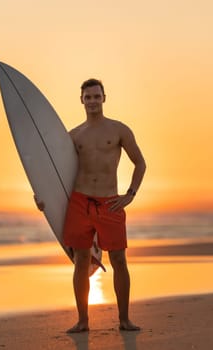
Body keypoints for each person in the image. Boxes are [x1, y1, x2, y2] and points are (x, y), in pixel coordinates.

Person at [36, 78, 146, 333]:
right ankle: (83, 321)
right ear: (82, 100)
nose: (93, 101)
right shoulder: (73, 136)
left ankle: (124, 320)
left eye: (97, 97)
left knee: (119, 259)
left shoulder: (119, 130)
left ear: (104, 98)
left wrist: (130, 194)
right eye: (88, 97)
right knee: (81, 261)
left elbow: (140, 163)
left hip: (110, 202)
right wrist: (44, 199)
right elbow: (53, 173)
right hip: (80, 202)